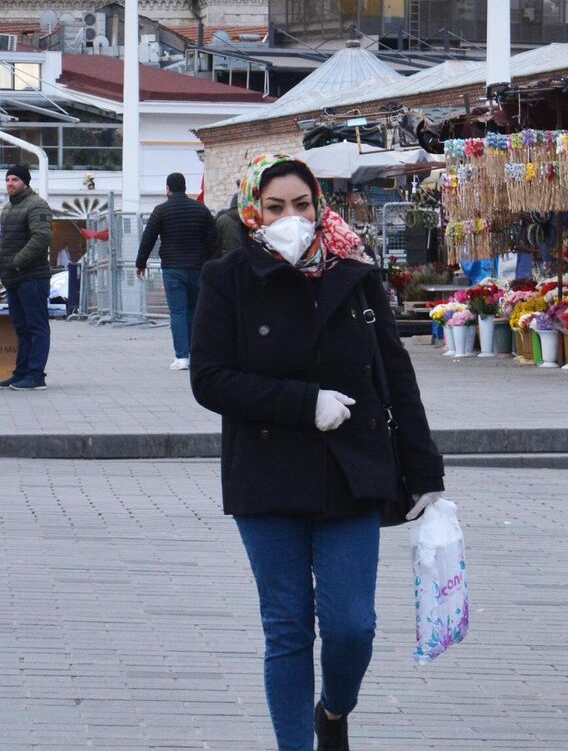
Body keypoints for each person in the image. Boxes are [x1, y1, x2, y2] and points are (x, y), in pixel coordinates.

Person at [190, 153, 445, 751]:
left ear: (319, 205)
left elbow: (395, 376)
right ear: (253, 210)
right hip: (267, 475)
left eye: (302, 205)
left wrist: (424, 468)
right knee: (287, 630)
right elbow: (210, 379)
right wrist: (304, 403)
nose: (291, 218)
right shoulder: (227, 278)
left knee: (352, 626)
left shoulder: (354, 274)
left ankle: (333, 711)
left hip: (352, 470)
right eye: (276, 207)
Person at [136, 171, 218, 371]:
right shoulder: (201, 210)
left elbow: (149, 238)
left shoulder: (161, 211)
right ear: (185, 187)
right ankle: (197, 354)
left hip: (173, 269)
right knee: (195, 311)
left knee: (178, 312)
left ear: (168, 189)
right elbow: (213, 239)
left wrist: (141, 263)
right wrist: (211, 262)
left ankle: (182, 357)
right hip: (199, 268)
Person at [0, 164, 54, 390]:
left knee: (36, 327)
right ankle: (21, 373)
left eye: (15, 180)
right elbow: (4, 241)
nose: (10, 183)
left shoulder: (37, 205)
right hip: (13, 278)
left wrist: (17, 262)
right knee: (21, 327)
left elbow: (41, 238)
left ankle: (36, 374)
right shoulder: (8, 208)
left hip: (32, 277)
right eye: (8, 179)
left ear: (26, 183)